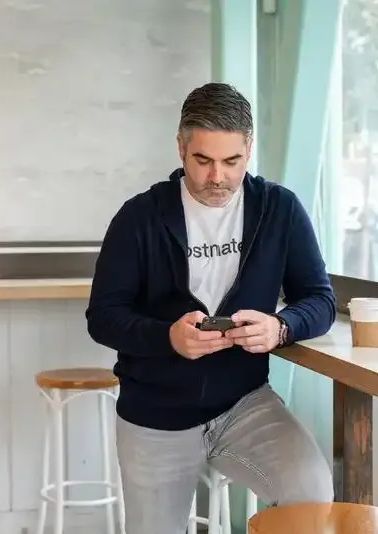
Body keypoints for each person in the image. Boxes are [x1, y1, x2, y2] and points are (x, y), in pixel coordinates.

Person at [86, 82, 336, 534]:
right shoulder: (138, 217)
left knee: (311, 493)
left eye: (232, 161)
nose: (217, 176)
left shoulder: (279, 209)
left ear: (249, 149)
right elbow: (103, 317)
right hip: (154, 414)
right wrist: (167, 337)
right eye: (203, 160)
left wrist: (281, 328)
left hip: (245, 404)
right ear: (181, 148)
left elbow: (320, 300)